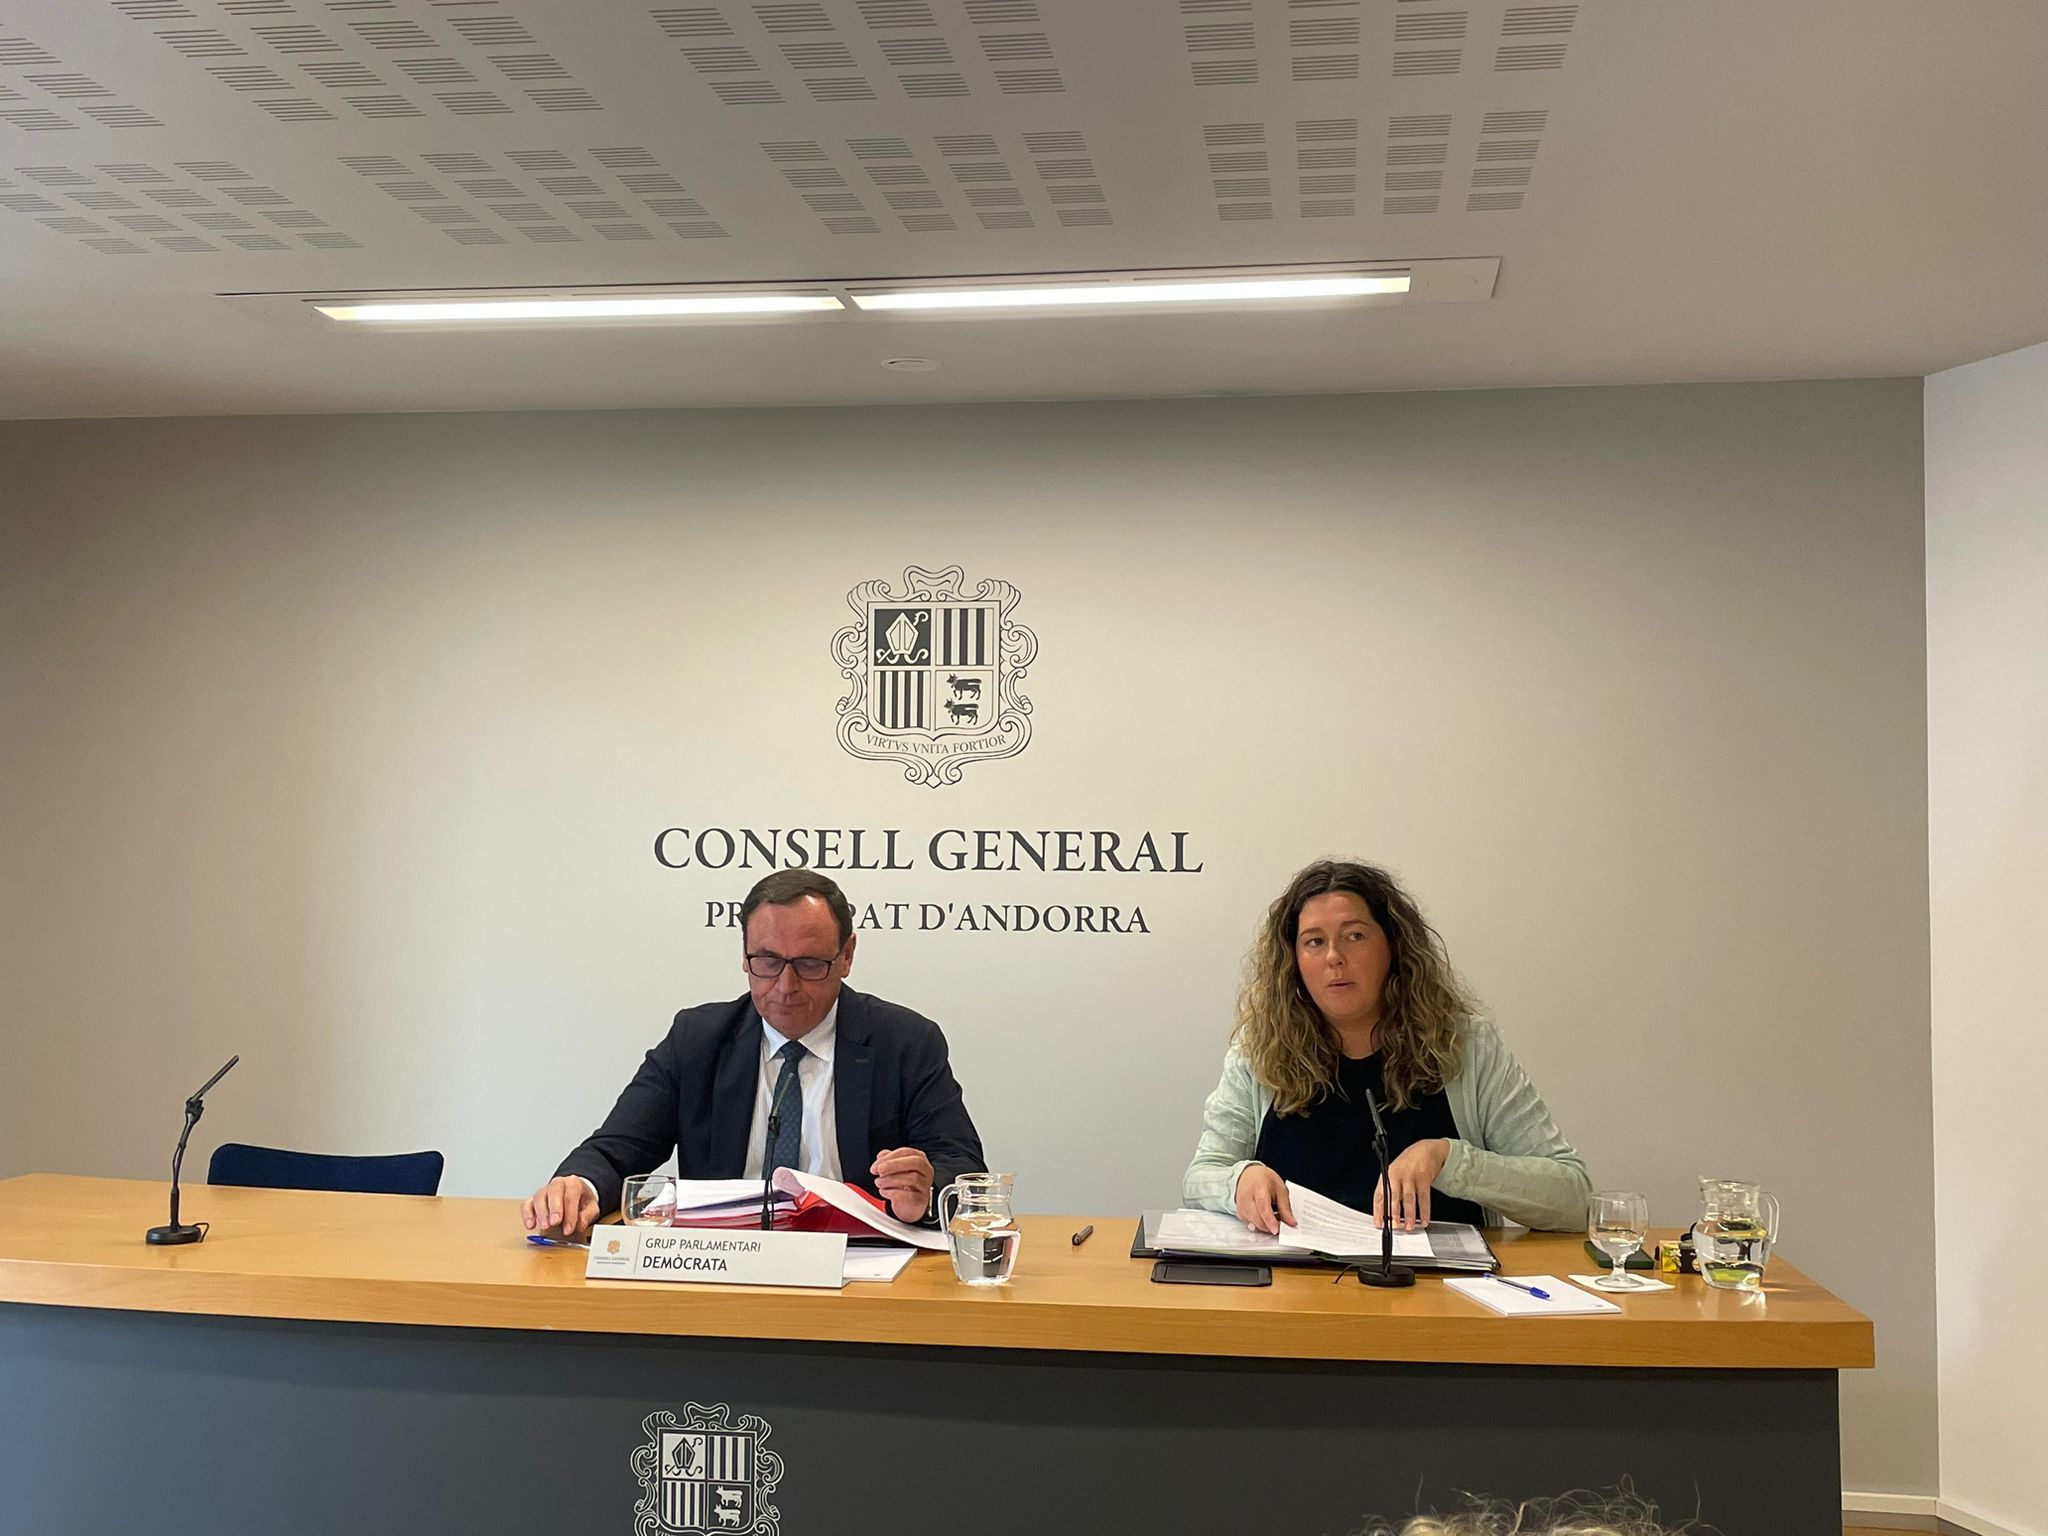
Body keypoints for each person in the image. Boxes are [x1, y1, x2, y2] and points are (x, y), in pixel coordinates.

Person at [523, 869, 985, 1240]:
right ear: (744, 957)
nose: (785, 986)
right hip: (724, 1262)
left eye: (810, 963)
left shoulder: (904, 1042)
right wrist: (578, 1185)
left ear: (846, 955)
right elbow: (617, 1149)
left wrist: (924, 1192)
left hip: (858, 1262)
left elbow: (962, 1166)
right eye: (767, 961)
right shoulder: (698, 1039)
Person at [1184, 860, 1590, 1233]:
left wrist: (1450, 1160)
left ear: (1393, 947)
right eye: (1314, 942)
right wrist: (1239, 1180)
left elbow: (1574, 1198)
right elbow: (1200, 1178)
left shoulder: (1467, 1045)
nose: (1334, 956)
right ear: (1293, 961)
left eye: (1354, 936)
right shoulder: (1259, 1052)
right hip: (1297, 1282)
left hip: (1438, 1284)